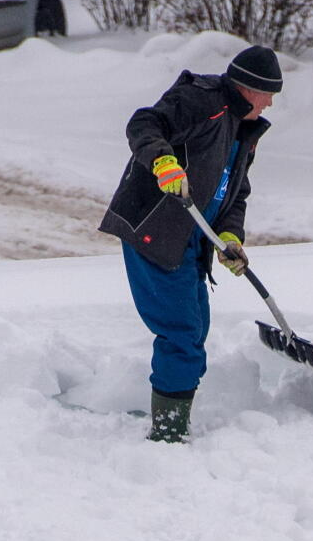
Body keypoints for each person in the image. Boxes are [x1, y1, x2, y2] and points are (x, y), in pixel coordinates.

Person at [97, 44, 278, 444]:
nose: (269, 104)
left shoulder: (243, 130)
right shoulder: (202, 100)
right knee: (181, 333)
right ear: (249, 88)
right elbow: (144, 124)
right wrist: (163, 161)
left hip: (194, 236)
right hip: (157, 227)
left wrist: (229, 236)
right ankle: (168, 435)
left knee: (196, 329)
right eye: (268, 95)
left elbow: (236, 190)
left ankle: (174, 415)